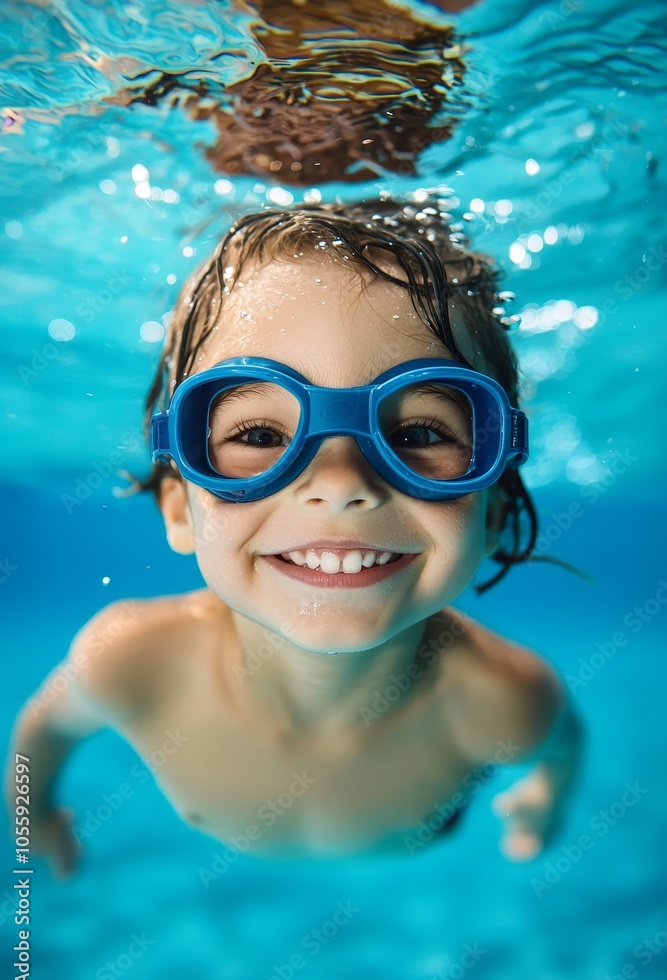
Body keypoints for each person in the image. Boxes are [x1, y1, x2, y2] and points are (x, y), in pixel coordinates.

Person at [4, 192, 584, 880]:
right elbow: (42, 732)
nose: (339, 481)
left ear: (491, 515)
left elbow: (563, 746)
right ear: (179, 510)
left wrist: (546, 795)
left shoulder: (502, 699)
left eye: (418, 435)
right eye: (258, 436)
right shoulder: (130, 661)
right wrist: (30, 813)